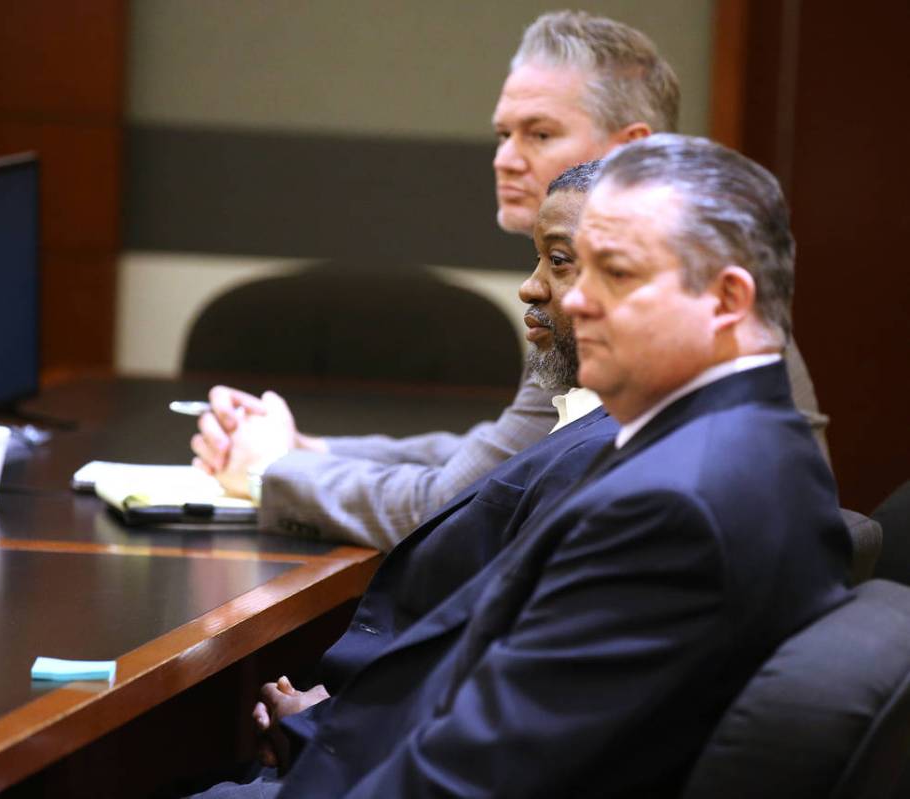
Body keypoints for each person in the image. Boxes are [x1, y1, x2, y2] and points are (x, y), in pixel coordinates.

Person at [190, 136, 853, 798]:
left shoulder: (672, 502)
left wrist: (321, 751)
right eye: (578, 268)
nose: (572, 300)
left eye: (614, 273)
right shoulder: (744, 441)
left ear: (726, 300)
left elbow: (475, 776)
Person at [191, 11, 828, 551]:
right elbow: (498, 451)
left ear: (629, 150)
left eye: (539, 133)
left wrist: (270, 470)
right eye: (502, 134)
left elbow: (453, 504)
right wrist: (316, 448)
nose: (504, 158)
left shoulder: (640, 307)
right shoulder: (584, 284)